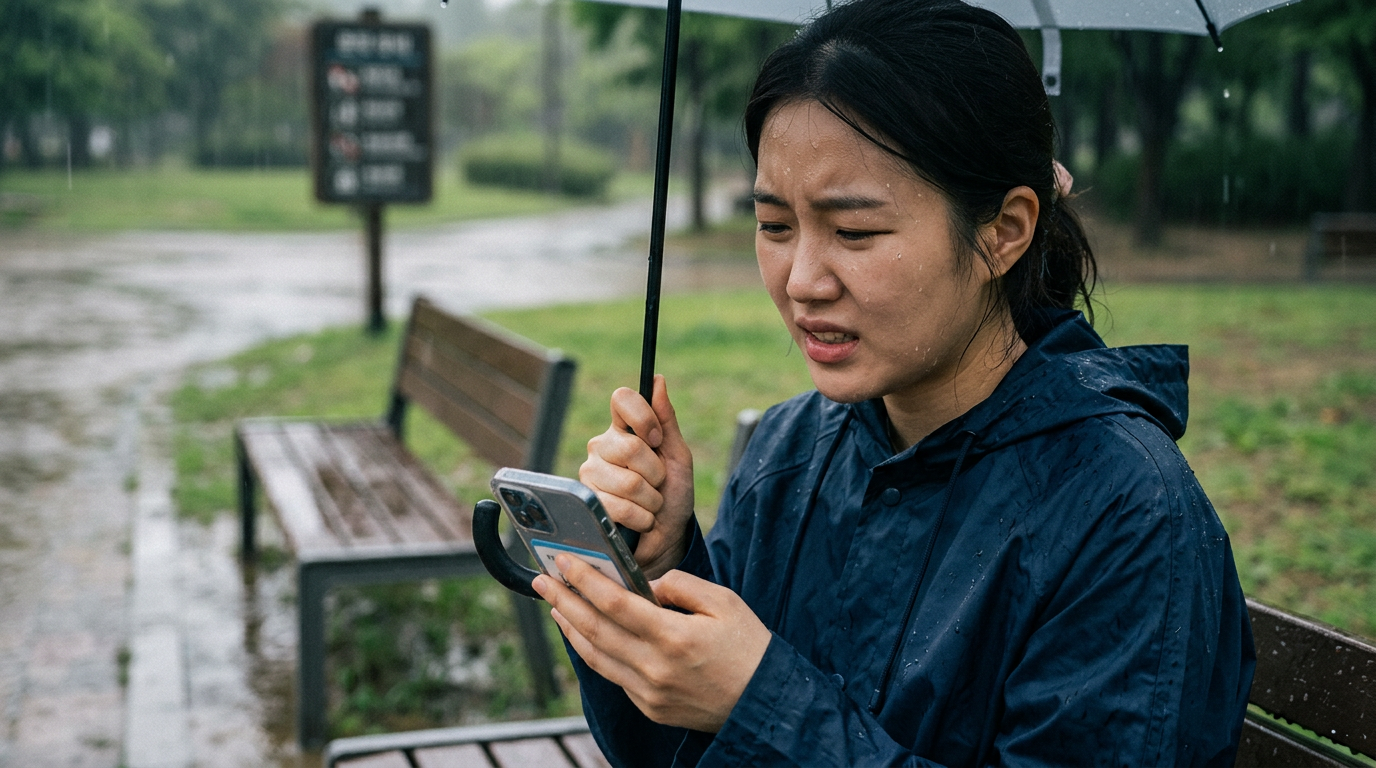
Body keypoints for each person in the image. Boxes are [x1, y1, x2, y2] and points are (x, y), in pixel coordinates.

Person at [529, 0, 1256, 764]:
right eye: (775, 226)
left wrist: (762, 705)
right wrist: (657, 569)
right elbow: (664, 753)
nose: (802, 280)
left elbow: (754, 708)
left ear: (1003, 231)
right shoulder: (789, 451)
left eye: (855, 233)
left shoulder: (1126, 514)